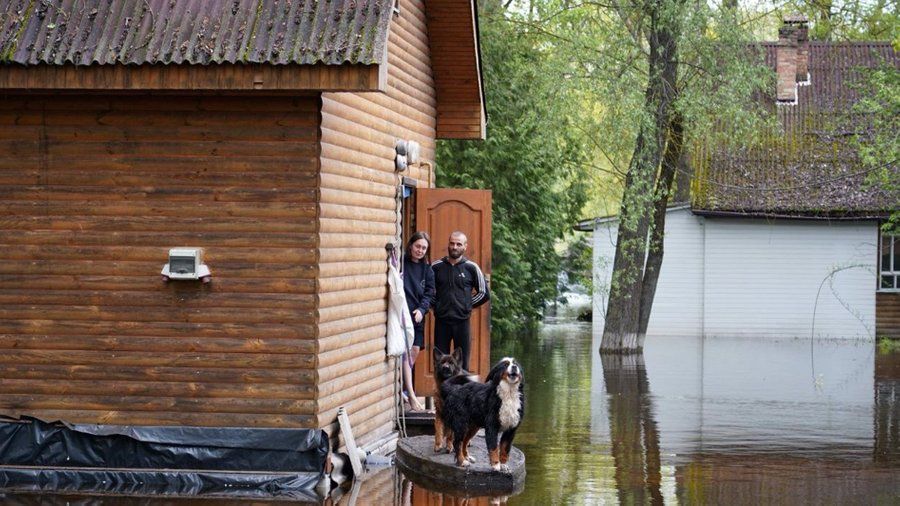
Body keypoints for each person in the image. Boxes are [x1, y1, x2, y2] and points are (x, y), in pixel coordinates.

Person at [431, 231, 490, 371]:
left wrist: (466, 305)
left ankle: (462, 386)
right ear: (448, 244)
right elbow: (426, 291)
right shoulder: (436, 267)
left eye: (459, 244)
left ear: (465, 246)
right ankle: (443, 386)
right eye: (452, 243)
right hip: (441, 322)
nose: (454, 247)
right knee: (440, 365)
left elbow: (484, 293)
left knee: (462, 365)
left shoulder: (471, 267)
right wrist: (437, 305)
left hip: (462, 323)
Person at [402, 231, 435, 411]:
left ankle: (403, 387)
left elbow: (429, 294)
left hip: (417, 316)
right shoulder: (402, 263)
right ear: (411, 246)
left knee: (414, 351)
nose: (420, 250)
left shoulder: (427, 270)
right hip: (403, 315)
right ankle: (410, 394)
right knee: (406, 353)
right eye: (417, 246)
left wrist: (422, 310)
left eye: (424, 248)